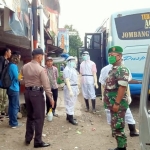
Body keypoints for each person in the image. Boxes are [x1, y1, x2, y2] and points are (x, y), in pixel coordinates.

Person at [21, 48, 54, 148]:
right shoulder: (40, 69)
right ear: (39, 56)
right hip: (37, 94)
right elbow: (46, 85)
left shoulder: (24, 67)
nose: (42, 58)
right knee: (39, 118)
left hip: (27, 93)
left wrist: (27, 82)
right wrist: (51, 98)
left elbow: (20, 79)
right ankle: (38, 141)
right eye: (42, 56)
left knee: (30, 116)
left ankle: (28, 138)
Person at [99, 63, 139, 137]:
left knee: (114, 115)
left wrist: (103, 96)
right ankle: (130, 131)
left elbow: (103, 85)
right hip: (117, 97)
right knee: (125, 114)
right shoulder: (121, 68)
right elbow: (126, 85)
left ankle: (117, 132)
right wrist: (128, 96)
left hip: (112, 97)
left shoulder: (122, 68)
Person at [104, 46, 129, 150]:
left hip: (117, 104)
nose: (110, 57)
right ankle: (120, 146)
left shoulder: (122, 69)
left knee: (118, 126)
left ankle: (122, 148)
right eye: (109, 55)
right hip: (113, 104)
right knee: (115, 126)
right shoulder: (113, 70)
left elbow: (122, 87)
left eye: (112, 56)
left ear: (119, 56)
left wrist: (117, 103)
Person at [63, 56, 79, 125]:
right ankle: (70, 118)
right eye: (72, 61)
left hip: (74, 87)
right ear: (69, 62)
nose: (74, 62)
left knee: (71, 102)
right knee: (70, 102)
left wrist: (77, 88)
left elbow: (75, 79)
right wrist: (70, 90)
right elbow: (67, 80)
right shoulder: (67, 70)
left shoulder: (72, 69)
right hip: (70, 87)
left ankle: (69, 116)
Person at [7, 53, 21, 128]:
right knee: (15, 106)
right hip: (14, 88)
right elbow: (17, 78)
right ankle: (14, 123)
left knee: (11, 106)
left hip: (9, 88)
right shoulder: (14, 66)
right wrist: (21, 75)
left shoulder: (9, 65)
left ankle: (11, 122)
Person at [0, 47, 11, 120]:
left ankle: (2, 111)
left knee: (5, 97)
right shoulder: (1, 58)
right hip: (1, 81)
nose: (10, 54)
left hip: (5, 82)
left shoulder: (8, 61)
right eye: (10, 52)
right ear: (6, 52)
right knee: (0, 97)